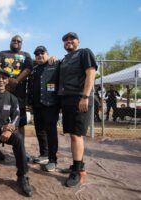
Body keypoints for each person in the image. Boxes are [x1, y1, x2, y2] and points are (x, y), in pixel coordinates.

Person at [0, 69, 33, 197]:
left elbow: (17, 116)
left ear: (7, 81)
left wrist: (9, 129)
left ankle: (22, 176)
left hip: (5, 133)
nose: (1, 80)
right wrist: (2, 127)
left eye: (4, 78)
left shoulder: (12, 98)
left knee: (18, 139)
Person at [58, 32, 97, 187]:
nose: (68, 41)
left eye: (71, 39)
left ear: (78, 42)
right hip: (66, 99)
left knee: (76, 135)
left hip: (80, 98)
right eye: (65, 40)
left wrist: (85, 96)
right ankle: (78, 164)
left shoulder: (85, 52)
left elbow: (90, 74)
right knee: (72, 134)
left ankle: (77, 172)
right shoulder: (65, 59)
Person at [0, 35, 33, 160]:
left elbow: (28, 69)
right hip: (2, 93)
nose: (16, 42)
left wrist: (16, 81)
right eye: (14, 40)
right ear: (10, 42)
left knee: (20, 123)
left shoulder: (26, 55)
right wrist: (7, 80)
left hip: (20, 95)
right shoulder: (2, 53)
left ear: (21, 43)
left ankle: (21, 150)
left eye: (18, 41)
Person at [27, 46, 60, 171]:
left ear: (47, 54)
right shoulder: (34, 69)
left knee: (51, 132)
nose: (39, 55)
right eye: (37, 54)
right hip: (37, 105)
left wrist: (55, 59)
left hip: (51, 105)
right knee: (40, 131)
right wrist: (29, 102)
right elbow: (30, 86)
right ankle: (44, 154)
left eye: (42, 53)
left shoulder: (55, 64)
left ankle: (53, 159)